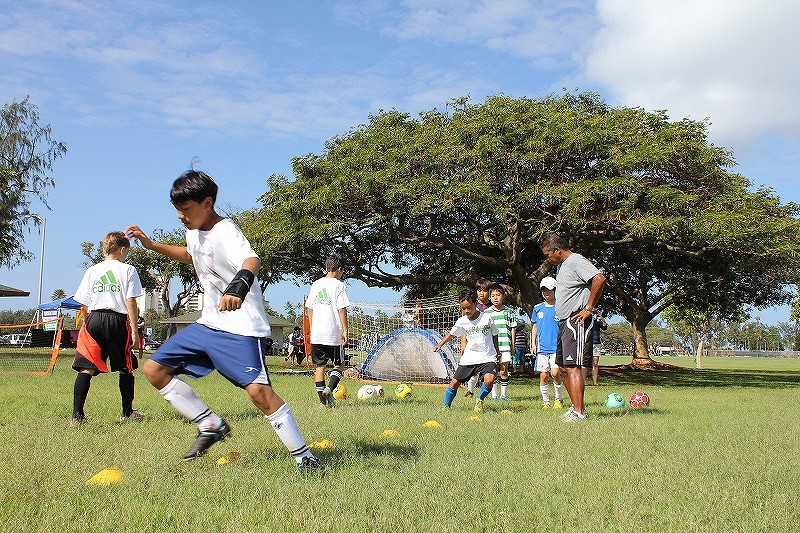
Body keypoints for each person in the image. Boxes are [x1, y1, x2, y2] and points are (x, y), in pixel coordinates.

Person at [126, 170, 320, 473]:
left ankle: (305, 458)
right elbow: (193, 256)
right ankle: (211, 424)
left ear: (207, 203)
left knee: (259, 393)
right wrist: (152, 246)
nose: (180, 216)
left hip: (241, 327)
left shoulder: (226, 230)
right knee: (154, 369)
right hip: (208, 324)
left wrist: (239, 286)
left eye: (186, 209)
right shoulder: (195, 230)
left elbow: (252, 260)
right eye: (177, 209)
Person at [71, 231, 144, 426]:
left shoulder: (92, 270)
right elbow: (130, 301)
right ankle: (127, 413)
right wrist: (135, 331)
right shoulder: (128, 270)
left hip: (93, 319)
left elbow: (83, 304)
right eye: (126, 252)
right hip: (117, 320)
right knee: (125, 369)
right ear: (121, 250)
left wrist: (90, 322)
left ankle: (77, 416)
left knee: (86, 368)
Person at [540, 234, 606, 422]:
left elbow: (599, 279)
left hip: (575, 321)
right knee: (562, 367)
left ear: (557, 250)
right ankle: (575, 408)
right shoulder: (562, 266)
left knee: (573, 366)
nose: (547, 258)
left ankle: (580, 412)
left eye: (548, 254)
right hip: (563, 322)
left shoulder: (576, 260)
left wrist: (589, 308)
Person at [433, 288, 500, 412]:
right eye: (463, 308)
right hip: (470, 357)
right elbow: (451, 334)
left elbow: (495, 334)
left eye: (469, 307)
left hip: (487, 356)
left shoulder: (487, 319)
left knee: (489, 380)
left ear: (475, 303)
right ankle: (446, 407)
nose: (466, 311)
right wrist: (440, 344)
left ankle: (479, 399)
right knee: (454, 383)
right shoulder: (462, 321)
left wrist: (497, 351)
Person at [307, 254, 350, 408]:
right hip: (333, 333)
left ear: (326, 268)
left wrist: (313, 328)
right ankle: (329, 389)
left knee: (320, 367)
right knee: (339, 365)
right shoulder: (339, 285)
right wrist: (345, 330)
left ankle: (322, 403)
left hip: (317, 334)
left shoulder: (316, 284)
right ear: (339, 270)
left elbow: (309, 308)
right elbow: (342, 309)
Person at [531, 276, 564, 409]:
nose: (546, 293)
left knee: (555, 373)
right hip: (542, 348)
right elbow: (534, 326)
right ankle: (546, 402)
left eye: (549, 290)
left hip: (556, 347)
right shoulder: (537, 308)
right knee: (543, 376)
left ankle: (558, 399)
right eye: (544, 290)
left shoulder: (560, 307)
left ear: (555, 291)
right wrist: (533, 344)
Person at [484, 284, 517, 401]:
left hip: (505, 345)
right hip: (492, 347)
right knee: (493, 371)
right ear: (489, 298)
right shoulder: (487, 313)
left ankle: (503, 395)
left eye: (498, 295)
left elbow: (513, 329)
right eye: (492, 296)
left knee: (504, 370)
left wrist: (513, 345)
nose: (495, 298)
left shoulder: (509, 311)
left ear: (503, 296)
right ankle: (494, 395)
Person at [464, 278, 492, 398]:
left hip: (488, 343)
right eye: (479, 290)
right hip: (474, 343)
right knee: (474, 370)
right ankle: (470, 391)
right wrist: (463, 342)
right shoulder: (471, 305)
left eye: (484, 290)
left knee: (490, 372)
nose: (482, 293)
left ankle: (492, 395)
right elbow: (463, 325)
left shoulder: (493, 306)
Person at [589, 315, 607, 386]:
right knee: (585, 363)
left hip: (596, 343)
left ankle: (595, 382)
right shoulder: (586, 320)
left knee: (595, 364)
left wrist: (603, 320)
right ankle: (584, 381)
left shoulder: (597, 321)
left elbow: (605, 328)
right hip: (587, 343)